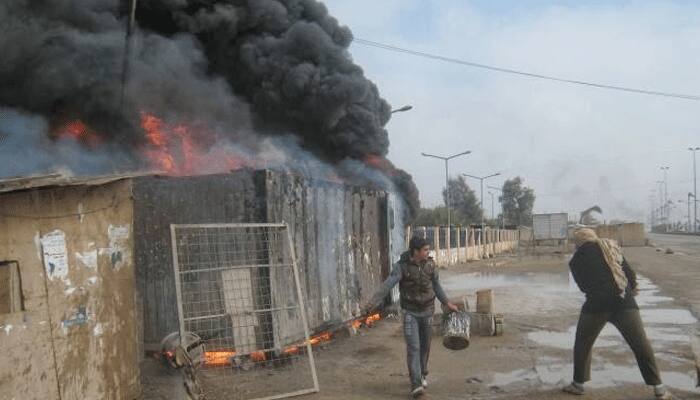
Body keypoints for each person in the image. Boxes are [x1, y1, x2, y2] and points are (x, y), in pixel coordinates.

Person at [563, 228, 674, 399]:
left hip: (595, 306)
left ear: (578, 242)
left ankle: (578, 384)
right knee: (641, 344)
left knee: (583, 344)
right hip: (624, 302)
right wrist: (630, 290)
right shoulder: (611, 247)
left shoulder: (575, 261)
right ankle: (659, 388)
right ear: (594, 237)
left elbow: (583, 287)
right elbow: (629, 274)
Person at [363, 236, 459, 398]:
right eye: (426, 250)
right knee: (413, 347)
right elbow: (388, 285)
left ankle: (422, 373)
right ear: (416, 251)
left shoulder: (430, 265)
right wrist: (370, 304)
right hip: (410, 313)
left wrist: (447, 303)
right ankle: (416, 384)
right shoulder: (401, 267)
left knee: (425, 346)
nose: (428, 252)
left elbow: (436, 286)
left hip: (428, 311)